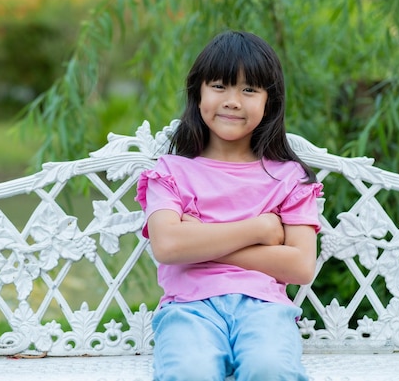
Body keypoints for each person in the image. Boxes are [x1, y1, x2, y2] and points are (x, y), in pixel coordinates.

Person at [135, 30, 323, 381]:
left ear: (270, 101)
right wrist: (260, 229)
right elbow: (169, 245)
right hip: (189, 309)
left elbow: (300, 266)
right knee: (192, 371)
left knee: (268, 368)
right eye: (219, 86)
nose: (233, 100)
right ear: (199, 92)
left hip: (264, 309)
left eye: (249, 89)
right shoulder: (171, 172)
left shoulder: (288, 178)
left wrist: (201, 241)